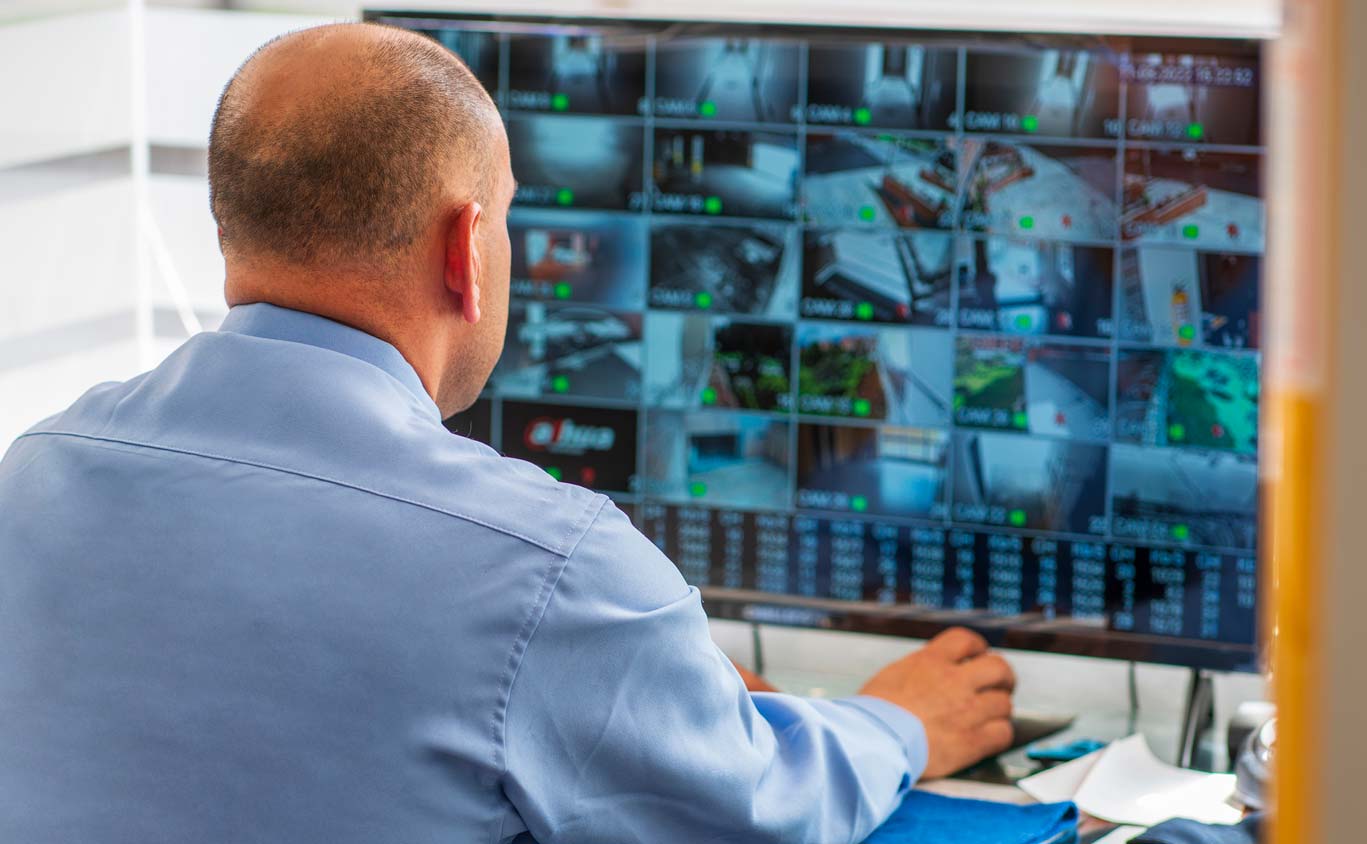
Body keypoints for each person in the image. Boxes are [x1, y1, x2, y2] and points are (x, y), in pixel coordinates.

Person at [0, 23, 1015, 844]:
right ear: (464, 250)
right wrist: (903, 721)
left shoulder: (32, 475)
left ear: (227, 229)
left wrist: (647, 676)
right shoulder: (552, 569)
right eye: (507, 219)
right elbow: (762, 811)